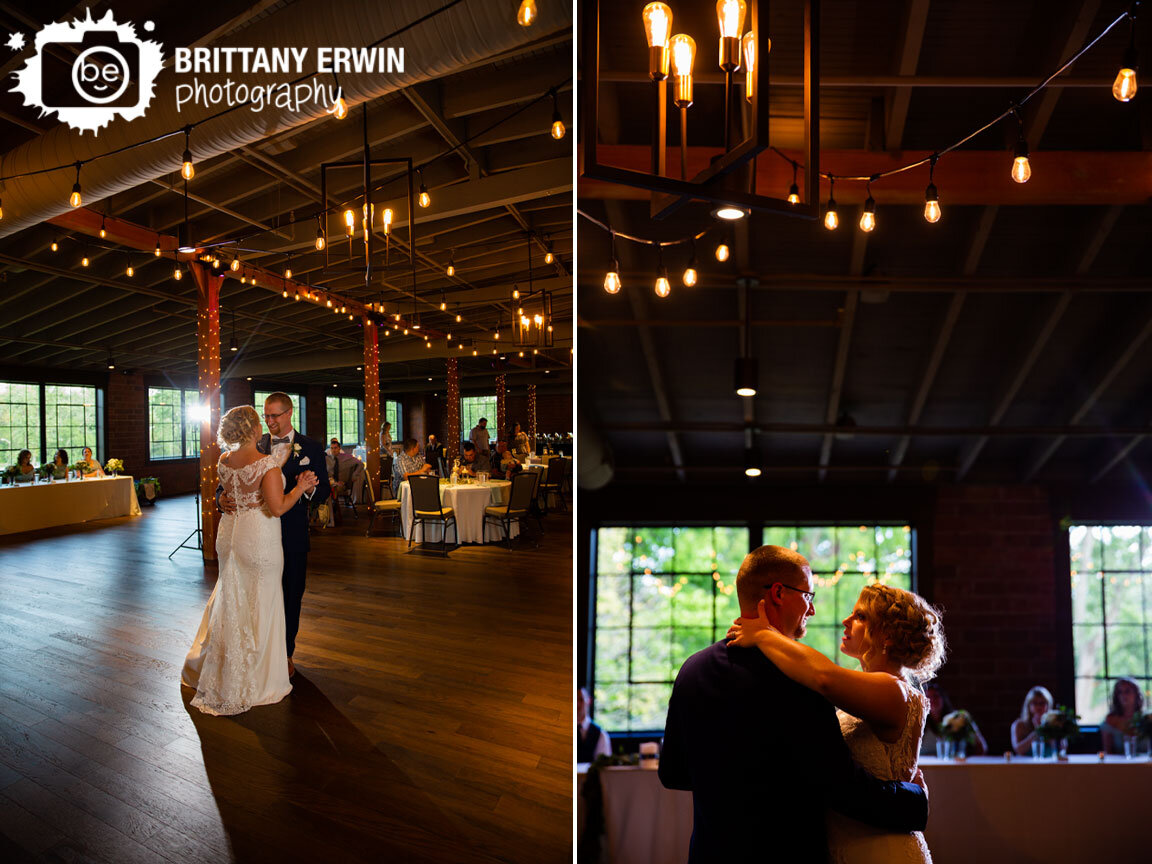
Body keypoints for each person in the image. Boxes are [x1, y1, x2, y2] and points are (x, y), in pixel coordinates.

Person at [659, 545, 928, 863]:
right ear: (778, 593)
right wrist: (915, 801)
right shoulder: (800, 680)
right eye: (808, 596)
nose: (812, 610)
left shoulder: (692, 669)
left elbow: (673, 773)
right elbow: (841, 787)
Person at [728, 576, 944, 863]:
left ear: (888, 635)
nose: (846, 620)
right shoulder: (871, 686)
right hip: (848, 843)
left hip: (881, 848)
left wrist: (765, 634)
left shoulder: (894, 689)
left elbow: (823, 678)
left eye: (860, 616)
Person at [183, 405, 320, 715]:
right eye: (262, 419)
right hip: (259, 539)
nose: (266, 423)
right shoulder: (266, 465)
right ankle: (256, 674)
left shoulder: (223, 460)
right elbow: (277, 507)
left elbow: (227, 486)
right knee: (262, 600)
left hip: (230, 537)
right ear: (254, 428)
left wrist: (222, 498)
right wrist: (300, 487)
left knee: (233, 598)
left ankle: (221, 666)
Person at [217, 393, 329, 680]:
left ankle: (285, 653)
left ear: (289, 413)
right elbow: (231, 481)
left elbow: (325, 490)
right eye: (265, 416)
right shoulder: (253, 444)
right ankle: (253, 651)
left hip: (291, 533)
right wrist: (220, 500)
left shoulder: (312, 447)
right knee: (253, 594)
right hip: (256, 534)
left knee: (291, 594)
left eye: (275, 416)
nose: (269, 421)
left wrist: (308, 490)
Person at [920, 682, 988, 757]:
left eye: (936, 696)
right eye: (928, 697)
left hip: (954, 765)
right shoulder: (919, 720)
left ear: (943, 698)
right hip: (926, 765)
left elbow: (981, 747)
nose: (932, 700)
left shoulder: (959, 718)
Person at [1100, 677, 1145, 754]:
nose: (1123, 695)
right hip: (1119, 764)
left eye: (1127, 691)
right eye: (1120, 692)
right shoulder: (1111, 720)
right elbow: (1108, 753)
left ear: (1136, 694)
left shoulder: (1146, 719)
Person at [1010, 685, 1054, 756]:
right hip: (1026, 765)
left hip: (1051, 764)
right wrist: (1038, 731)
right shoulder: (1019, 725)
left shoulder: (1055, 724)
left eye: (1042, 703)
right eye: (1035, 703)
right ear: (1029, 705)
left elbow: (1061, 748)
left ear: (1048, 704)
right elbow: (1018, 750)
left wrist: (1048, 729)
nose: (1039, 707)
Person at [577, 686, 611, 762]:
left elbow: (603, 767)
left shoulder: (601, 735)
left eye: (580, 700)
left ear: (589, 701)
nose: (577, 704)